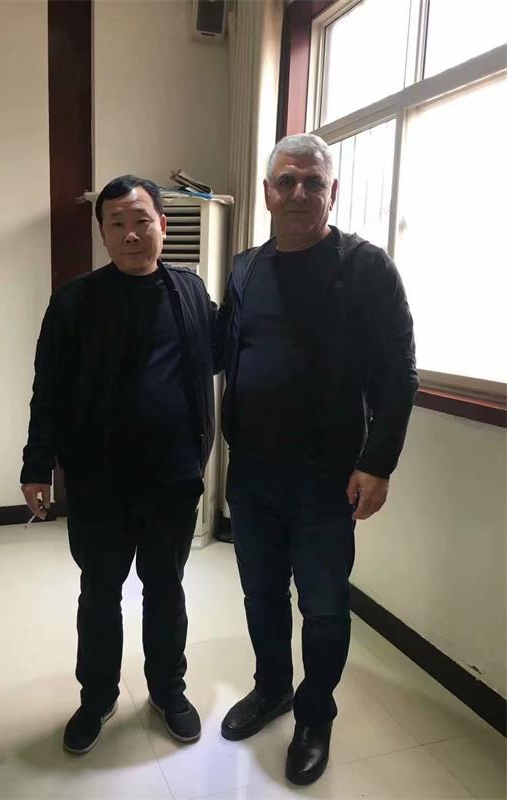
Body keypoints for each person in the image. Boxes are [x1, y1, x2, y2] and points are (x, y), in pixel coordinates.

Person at [215, 134, 418, 785]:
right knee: (261, 593)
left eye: (313, 182)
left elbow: (399, 373)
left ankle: (314, 716)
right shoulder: (245, 269)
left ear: (332, 192)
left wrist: (378, 462)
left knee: (324, 606)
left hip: (327, 478)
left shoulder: (366, 267)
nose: (299, 191)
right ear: (268, 193)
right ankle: (272, 687)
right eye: (287, 181)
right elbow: (224, 348)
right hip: (252, 472)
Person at [21, 175, 217, 754]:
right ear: (103, 233)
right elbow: (47, 390)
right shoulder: (74, 301)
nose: (131, 234)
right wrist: (37, 465)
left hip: (173, 479)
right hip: (99, 483)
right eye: (118, 223)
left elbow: (221, 352)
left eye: (142, 221)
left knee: (166, 589)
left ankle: (168, 691)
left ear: (163, 226)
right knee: (100, 593)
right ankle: (97, 696)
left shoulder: (189, 292)